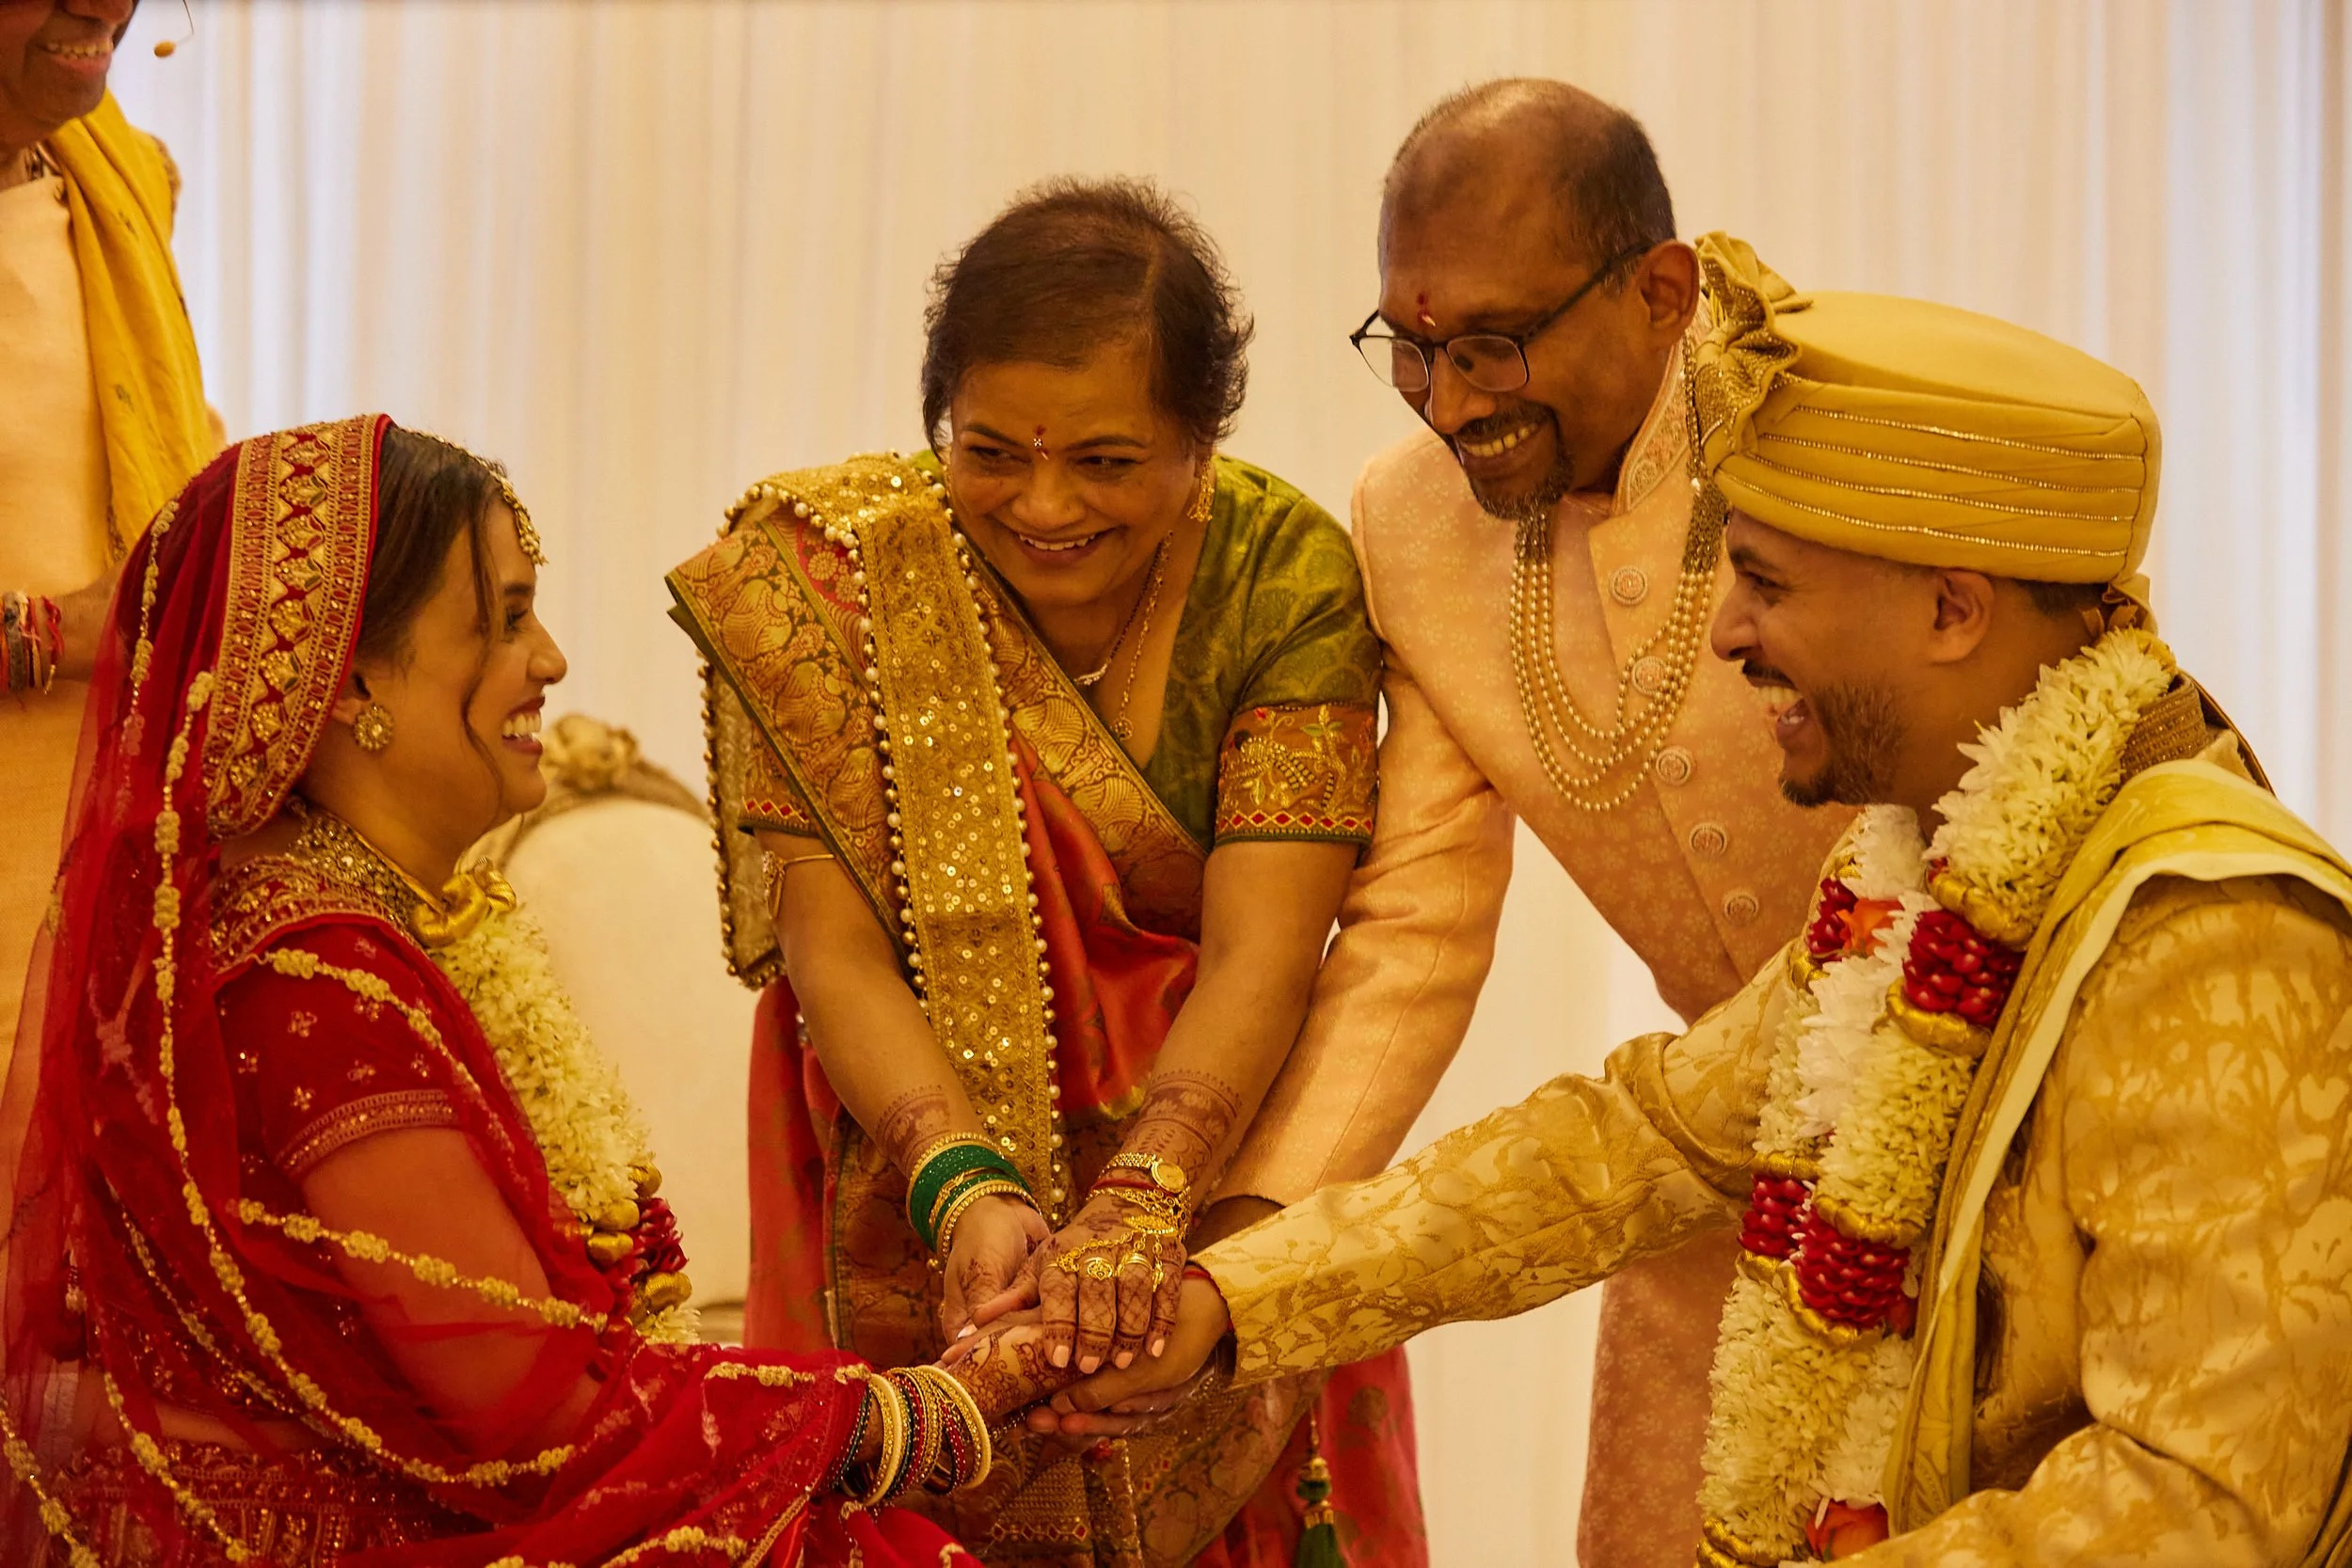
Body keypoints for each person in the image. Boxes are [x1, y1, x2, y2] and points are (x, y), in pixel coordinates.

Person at [1055, 237, 2352, 1563]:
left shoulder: (2213, 937)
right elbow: (1648, 1138)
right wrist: (1233, 1297)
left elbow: (2202, 1507)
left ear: (1955, 608)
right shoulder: (1912, 870)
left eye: (1770, 582)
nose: (1727, 633)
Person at [0, 414, 1073, 1566]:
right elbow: (540, 1415)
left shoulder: (346, 936)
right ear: (350, 671)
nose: (552, 659)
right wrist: (923, 1415)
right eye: (505, 619)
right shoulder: (308, 988)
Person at [667, 178, 1422, 1565]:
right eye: (991, 450)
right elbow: (828, 946)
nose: (1045, 503)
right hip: (890, 1148)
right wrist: (963, 1182)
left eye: (1109, 460)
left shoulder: (1282, 578)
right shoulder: (821, 581)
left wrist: (1142, 1205)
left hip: (1220, 1139)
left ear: (1204, 442)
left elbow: (1270, 949)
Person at [1155, 79, 1847, 1568]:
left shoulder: (1841, 421)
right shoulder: (1410, 522)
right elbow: (1414, 916)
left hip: (1983, 1124)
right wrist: (1258, 1236)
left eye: (1491, 344)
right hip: (1705, 1195)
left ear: (1663, 291)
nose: (1453, 400)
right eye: (1410, 349)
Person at [1, 0, 219, 1081]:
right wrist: (44, 632)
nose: (102, 6)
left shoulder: (110, 180)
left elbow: (176, 460)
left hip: (107, 875)